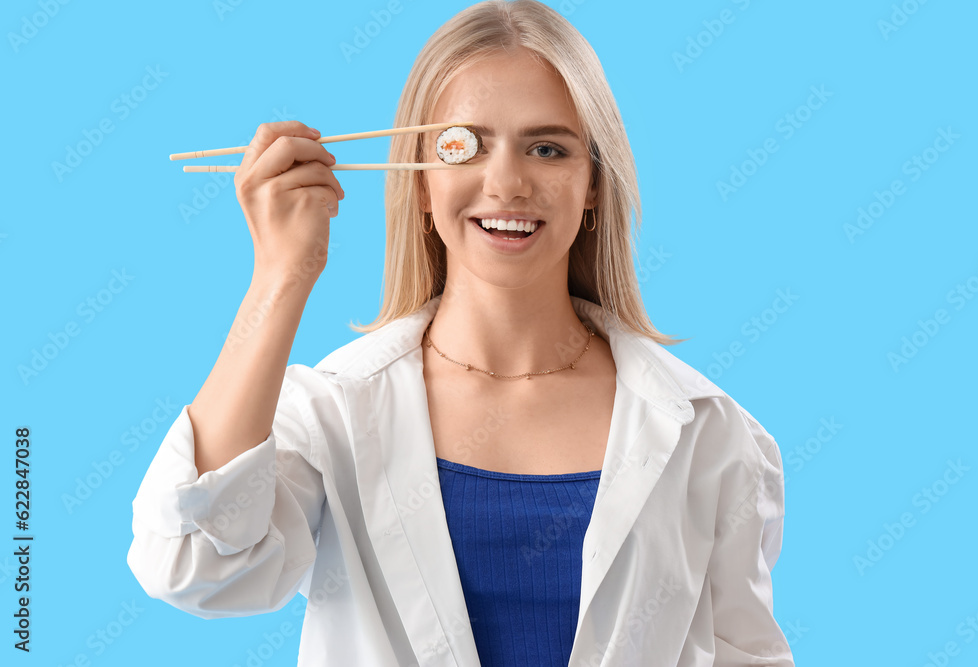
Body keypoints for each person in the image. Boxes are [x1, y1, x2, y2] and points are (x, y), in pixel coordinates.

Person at [126, 1, 794, 665]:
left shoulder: (709, 435)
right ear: (418, 180)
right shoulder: (333, 414)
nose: (506, 183)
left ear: (592, 182)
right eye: (464, 145)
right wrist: (281, 276)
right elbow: (192, 562)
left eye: (547, 148)